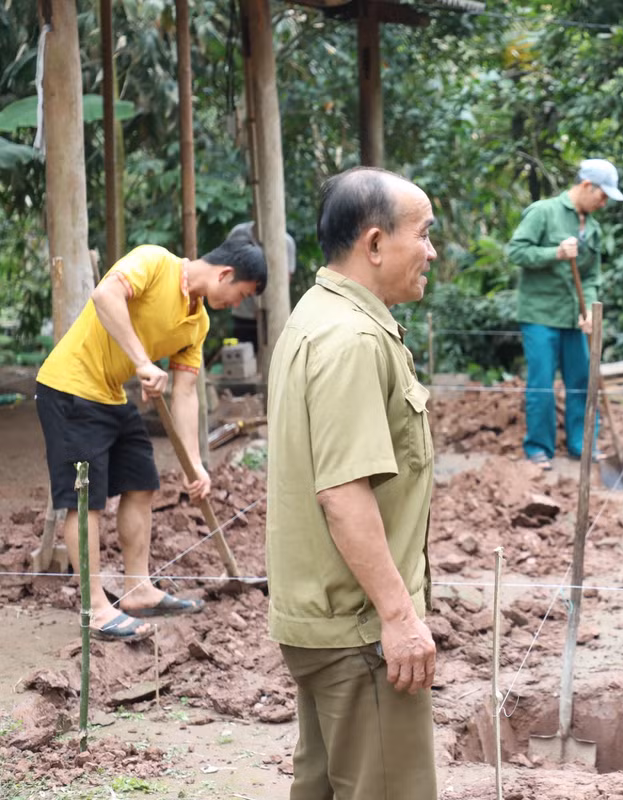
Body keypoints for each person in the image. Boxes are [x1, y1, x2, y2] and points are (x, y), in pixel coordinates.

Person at [266, 167, 439, 800]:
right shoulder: (353, 339)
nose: (431, 251)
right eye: (423, 234)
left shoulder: (315, 315)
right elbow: (342, 494)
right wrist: (398, 616)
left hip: (323, 619)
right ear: (374, 243)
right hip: (360, 629)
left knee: (323, 786)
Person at [34, 237, 267, 642]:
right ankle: (96, 609)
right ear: (226, 274)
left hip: (110, 392)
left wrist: (195, 466)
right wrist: (142, 362)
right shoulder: (155, 261)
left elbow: (186, 392)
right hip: (70, 387)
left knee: (142, 482)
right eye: (240, 295)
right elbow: (105, 295)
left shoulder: (198, 323)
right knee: (85, 500)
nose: (234, 305)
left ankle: (137, 589)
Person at [507, 158, 623, 469]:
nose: (604, 203)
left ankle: (581, 444)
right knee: (542, 384)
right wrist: (555, 253)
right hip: (540, 315)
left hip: (576, 317)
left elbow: (591, 277)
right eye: (602, 195)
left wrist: (590, 310)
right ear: (587, 186)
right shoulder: (543, 212)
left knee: (583, 382)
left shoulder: (594, 230)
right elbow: (515, 251)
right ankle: (538, 448)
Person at [227, 220, 296, 354]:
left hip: (274, 315)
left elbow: (286, 279)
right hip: (244, 314)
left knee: (276, 358)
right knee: (243, 362)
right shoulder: (238, 234)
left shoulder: (286, 242)